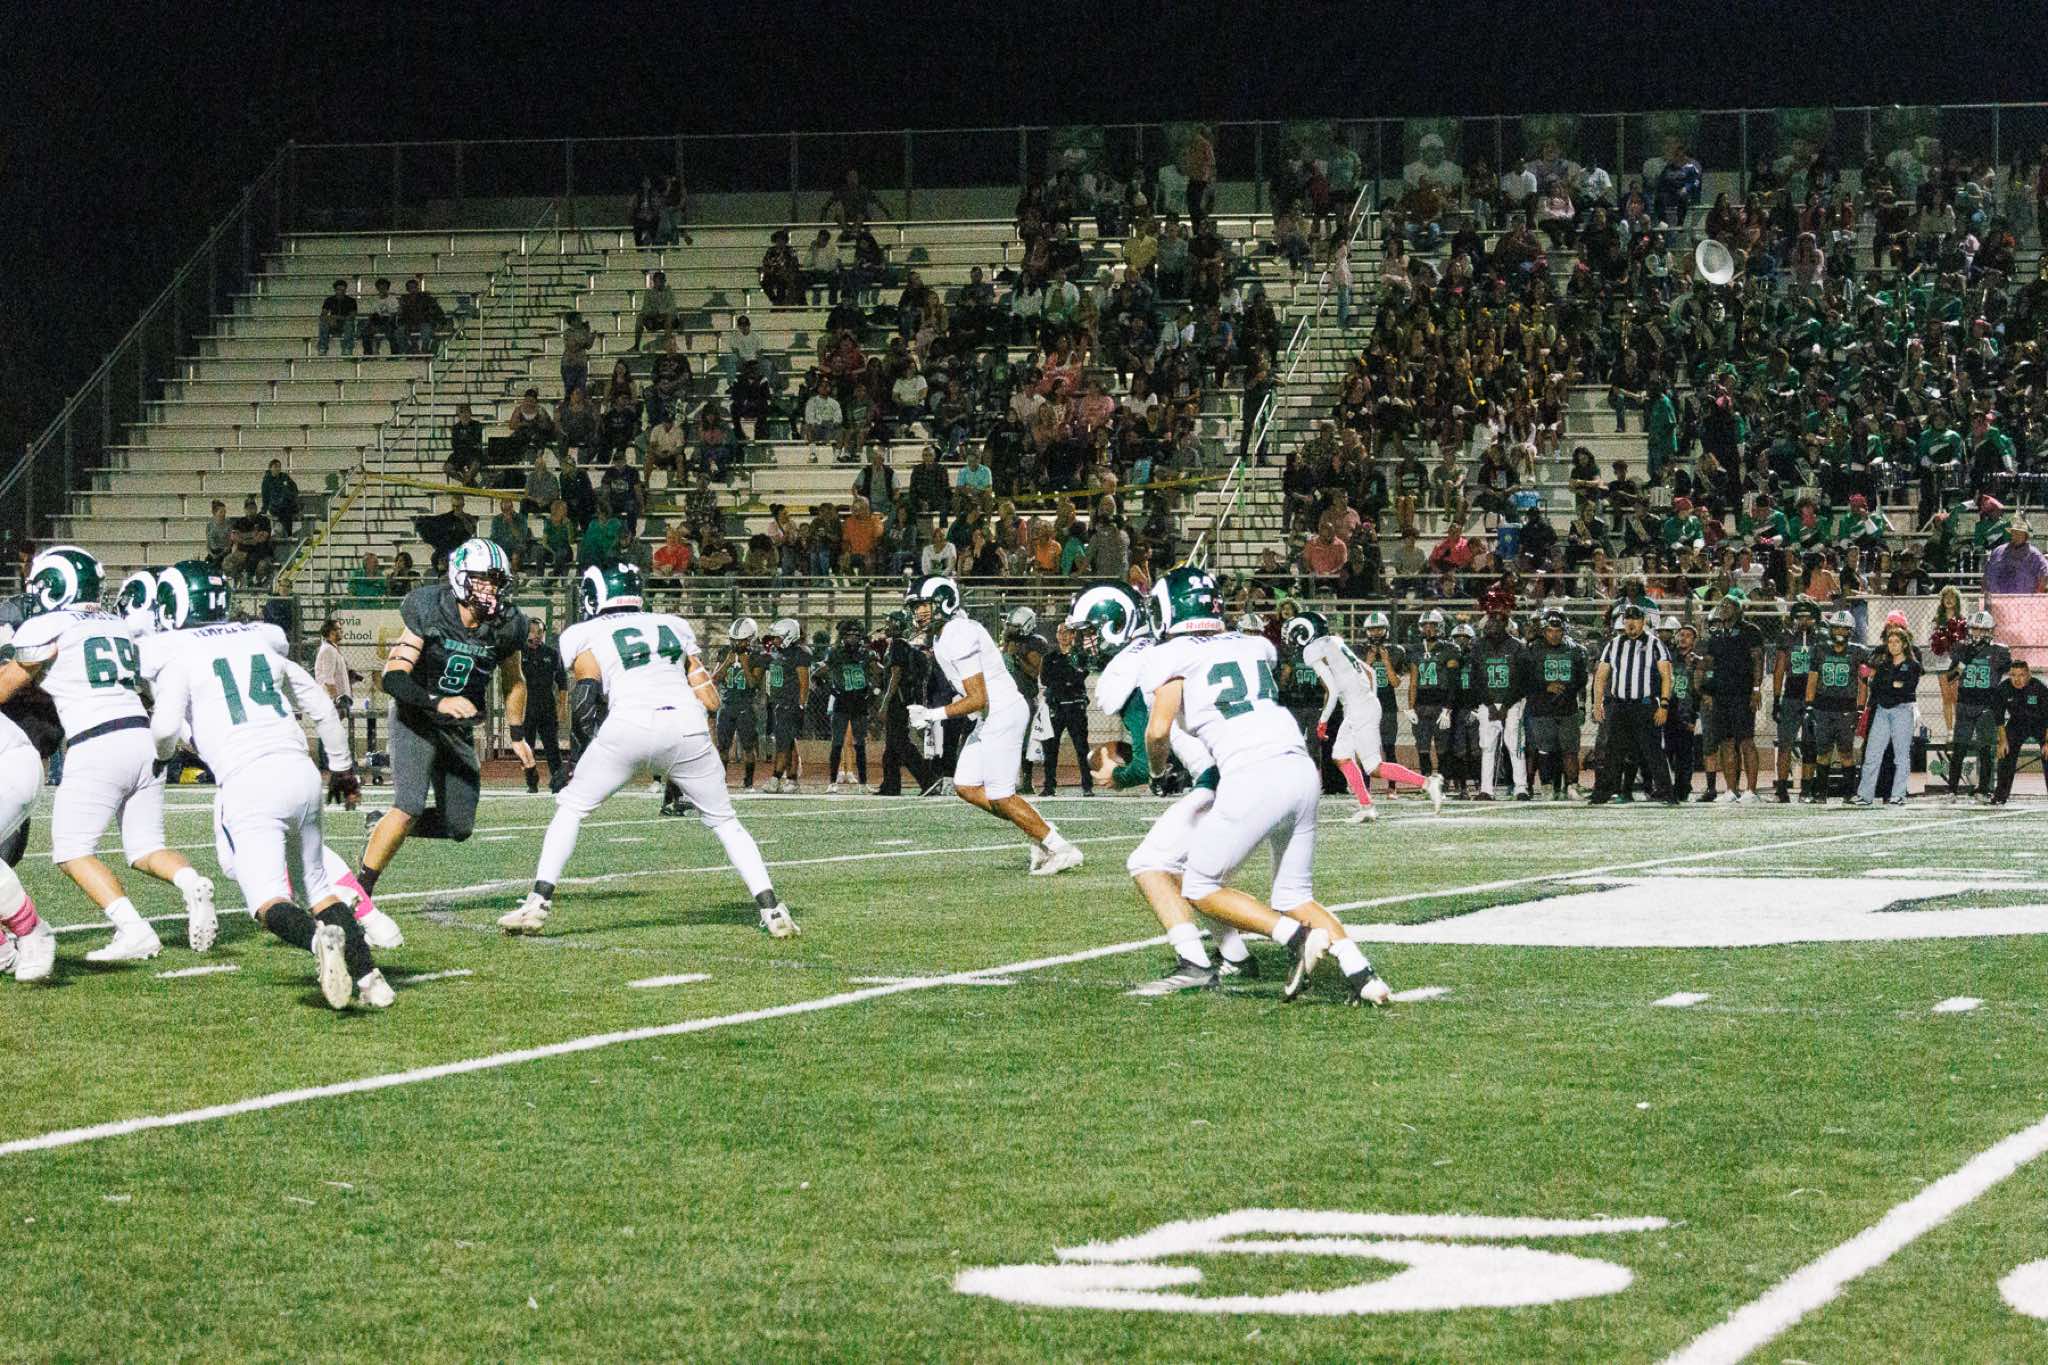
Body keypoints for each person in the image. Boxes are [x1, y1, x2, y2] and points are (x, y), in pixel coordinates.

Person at [497, 563, 797, 941]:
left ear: (594, 597)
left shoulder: (583, 633)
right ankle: (772, 909)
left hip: (630, 724)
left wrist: (576, 760)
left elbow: (585, 699)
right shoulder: (673, 625)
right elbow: (709, 698)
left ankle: (537, 903)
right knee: (725, 822)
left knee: (571, 808)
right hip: (686, 725)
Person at [1140, 566, 1391, 1005]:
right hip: (1299, 769)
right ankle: (1364, 976)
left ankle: (1296, 938)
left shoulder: (1170, 655)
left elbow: (1158, 731)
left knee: (1199, 885)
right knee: (1293, 894)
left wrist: (1157, 774)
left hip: (1252, 773)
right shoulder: (1252, 643)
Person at [145, 561, 388, 1010]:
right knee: (318, 888)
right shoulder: (259, 641)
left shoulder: (177, 653)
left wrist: (163, 756)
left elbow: (162, 729)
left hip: (249, 781)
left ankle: (318, 944)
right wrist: (342, 768)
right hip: (300, 771)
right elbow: (320, 705)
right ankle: (372, 979)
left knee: (267, 902)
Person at [0, 547, 217, 964]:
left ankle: (135, 930)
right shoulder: (115, 624)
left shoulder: (49, 624)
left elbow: (7, 685)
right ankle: (191, 881)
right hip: (143, 736)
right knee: (145, 848)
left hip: (97, 741)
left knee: (71, 850)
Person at [354, 540, 534, 902]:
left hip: (456, 729)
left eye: (496, 581)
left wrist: (517, 734)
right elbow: (393, 677)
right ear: (459, 577)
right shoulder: (430, 607)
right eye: (482, 580)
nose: (490, 589)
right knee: (408, 806)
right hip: (416, 718)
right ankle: (358, 892)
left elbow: (514, 679)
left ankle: (382, 823)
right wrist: (438, 701)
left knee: (459, 826)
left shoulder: (508, 624)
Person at [904, 576, 1083, 876]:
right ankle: (1039, 828)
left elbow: (977, 697)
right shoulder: (946, 633)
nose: (919, 612)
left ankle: (1061, 848)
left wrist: (933, 715)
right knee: (967, 785)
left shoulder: (958, 633)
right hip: (990, 716)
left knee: (1001, 794)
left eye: (925, 605)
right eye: (916, 607)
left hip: (1002, 713)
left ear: (945, 602)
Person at [1286, 611, 1443, 823]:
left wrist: (1322, 721)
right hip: (1361, 705)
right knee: (1341, 756)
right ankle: (1366, 806)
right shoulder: (1335, 641)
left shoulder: (1312, 650)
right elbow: (1369, 670)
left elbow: (1332, 691)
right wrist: (1369, 699)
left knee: (1373, 766)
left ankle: (1427, 783)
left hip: (1359, 708)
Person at [1588, 603, 1676, 805]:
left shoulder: (1655, 644)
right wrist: (1597, 704)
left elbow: (1666, 676)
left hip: (1644, 705)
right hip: (1620, 706)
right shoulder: (1614, 644)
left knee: (1653, 751)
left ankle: (1666, 792)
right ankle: (1603, 792)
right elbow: (1600, 676)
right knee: (1613, 751)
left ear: (1643, 622)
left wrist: (1664, 705)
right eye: (1627, 619)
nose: (1631, 623)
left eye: (1635, 619)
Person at [1699, 595, 1766, 802]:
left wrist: (1756, 688)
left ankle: (1751, 791)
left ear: (1738, 609)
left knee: (1746, 740)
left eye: (1728, 605)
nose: (1723, 607)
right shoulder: (1717, 635)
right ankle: (1730, 789)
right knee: (1726, 742)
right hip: (1721, 695)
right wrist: (1708, 691)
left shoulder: (1750, 631)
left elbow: (1757, 660)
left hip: (1742, 693)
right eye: (1721, 605)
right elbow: (1709, 664)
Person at [1521, 608, 1589, 801]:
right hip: (1541, 708)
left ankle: (1572, 786)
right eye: (1550, 631)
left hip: (1567, 707)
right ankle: (1547, 786)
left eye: (1558, 631)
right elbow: (1524, 681)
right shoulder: (1532, 650)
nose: (1554, 635)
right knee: (1545, 750)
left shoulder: (1575, 650)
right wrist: (1545, 686)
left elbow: (1582, 680)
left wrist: (1577, 699)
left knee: (1570, 750)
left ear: (1564, 630)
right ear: (1544, 630)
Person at [1853, 622, 1923, 807]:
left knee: (1901, 755)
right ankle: (1865, 795)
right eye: (1890, 642)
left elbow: (1907, 688)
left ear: (1904, 644)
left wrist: (1890, 685)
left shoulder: (1913, 665)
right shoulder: (1884, 664)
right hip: (1882, 710)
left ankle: (1898, 795)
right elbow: (1876, 687)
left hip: (1903, 711)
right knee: (1872, 753)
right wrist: (1893, 684)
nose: (1893, 645)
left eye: (1897, 641)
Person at [1803, 611, 1868, 804]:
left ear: (1851, 631)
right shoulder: (1820, 649)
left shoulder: (1858, 652)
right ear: (1831, 630)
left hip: (1846, 708)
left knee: (1846, 752)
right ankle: (1820, 794)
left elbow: (1863, 682)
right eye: (1837, 628)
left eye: (1844, 628)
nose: (1840, 631)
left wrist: (1860, 707)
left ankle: (1849, 793)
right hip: (1822, 706)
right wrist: (1809, 705)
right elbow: (1813, 679)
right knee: (1823, 752)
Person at [1946, 610, 2010, 803]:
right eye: (1975, 629)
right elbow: (1950, 677)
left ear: (1990, 631)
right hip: (1965, 703)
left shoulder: (1999, 651)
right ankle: (1951, 790)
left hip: (1986, 706)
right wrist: (1963, 662)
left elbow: (2008, 671)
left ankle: (1983, 789)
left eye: (1982, 630)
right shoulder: (1961, 649)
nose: (1978, 633)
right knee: (1959, 748)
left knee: (1985, 749)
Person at [1467, 611, 1526, 801]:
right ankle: (1486, 789)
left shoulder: (1517, 646)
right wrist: (1490, 705)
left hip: (1512, 703)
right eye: (1491, 621)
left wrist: (1506, 706)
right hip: (1488, 704)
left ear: (1505, 624)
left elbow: (1521, 680)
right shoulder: (1478, 646)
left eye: (1497, 622)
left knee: (1515, 746)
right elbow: (1476, 680)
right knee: (1487, 747)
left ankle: (1521, 788)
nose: (1492, 625)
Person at [876, 609, 935, 797]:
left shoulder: (898, 645)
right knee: (892, 746)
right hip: (902, 699)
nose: (887, 626)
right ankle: (890, 785)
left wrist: (885, 703)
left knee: (901, 743)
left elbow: (896, 675)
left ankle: (928, 780)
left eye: (890, 622)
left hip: (898, 701)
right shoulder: (901, 645)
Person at [1771, 598, 1823, 802]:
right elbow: (1779, 669)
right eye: (1799, 617)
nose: (1803, 621)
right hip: (1792, 695)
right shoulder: (1787, 638)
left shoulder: (1821, 638)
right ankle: (1782, 789)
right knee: (1785, 743)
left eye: (1808, 617)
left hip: (1815, 697)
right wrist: (1776, 699)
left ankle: (1806, 790)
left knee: (1811, 745)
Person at [1037, 622, 1093, 797]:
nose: (1063, 636)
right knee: (1050, 748)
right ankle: (1049, 786)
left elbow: (1080, 675)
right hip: (1056, 706)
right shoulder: (1049, 657)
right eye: (1060, 632)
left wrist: (1062, 677)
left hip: (1075, 707)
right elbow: (1045, 679)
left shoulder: (1080, 655)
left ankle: (1087, 786)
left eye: (1067, 632)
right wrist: (1067, 677)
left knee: (1081, 748)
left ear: (1073, 635)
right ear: (1056, 635)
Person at [822, 619, 874, 792]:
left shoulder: (866, 654)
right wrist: (832, 689)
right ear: (843, 636)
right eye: (849, 635)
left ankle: (863, 783)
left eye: (856, 635)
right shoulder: (835, 653)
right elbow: (818, 674)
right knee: (837, 743)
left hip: (859, 702)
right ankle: (832, 782)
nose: (853, 638)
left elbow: (878, 672)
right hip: (842, 701)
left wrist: (873, 690)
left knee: (860, 744)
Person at [761, 618, 811, 793]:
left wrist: (801, 705)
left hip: (791, 703)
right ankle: (791, 779)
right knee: (787, 742)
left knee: (784, 743)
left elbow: (804, 683)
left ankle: (776, 778)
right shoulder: (776, 653)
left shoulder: (799, 653)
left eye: (778, 637)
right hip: (778, 702)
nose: (775, 640)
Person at [714, 618, 764, 792]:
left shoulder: (757, 656)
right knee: (722, 747)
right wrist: (727, 662)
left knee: (748, 747)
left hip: (745, 706)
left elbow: (753, 684)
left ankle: (748, 782)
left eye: (741, 640)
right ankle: (720, 780)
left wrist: (744, 663)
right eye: (734, 640)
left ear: (751, 639)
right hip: (726, 705)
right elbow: (714, 679)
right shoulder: (724, 652)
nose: (736, 644)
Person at [519, 618, 569, 795]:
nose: (537, 635)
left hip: (547, 706)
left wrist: (562, 708)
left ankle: (558, 782)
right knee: (527, 747)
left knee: (552, 746)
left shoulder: (552, 654)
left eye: (540, 632)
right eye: (533, 631)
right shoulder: (519, 653)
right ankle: (531, 782)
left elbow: (562, 683)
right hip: (525, 708)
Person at [1992, 658, 2048, 805]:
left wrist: (2047, 742)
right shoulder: (2003, 689)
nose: (2017, 679)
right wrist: (2003, 741)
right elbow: (1999, 718)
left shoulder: (2039, 688)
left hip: (2041, 724)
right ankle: (2000, 796)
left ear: (2028, 675)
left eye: (2021, 675)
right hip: (2017, 724)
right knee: (2005, 752)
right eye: (2013, 675)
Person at [313, 616, 355, 772]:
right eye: (338, 629)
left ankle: (329, 762)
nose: (341, 631)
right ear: (331, 632)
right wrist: (336, 699)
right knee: (329, 730)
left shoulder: (332, 649)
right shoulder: (328, 650)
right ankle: (326, 763)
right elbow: (328, 678)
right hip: (330, 700)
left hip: (334, 698)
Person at [317, 280, 358, 356]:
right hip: (333, 323)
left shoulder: (351, 301)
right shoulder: (329, 300)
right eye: (339, 290)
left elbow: (352, 315)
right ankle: (322, 348)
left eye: (343, 290)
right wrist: (330, 319)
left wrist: (337, 318)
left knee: (349, 324)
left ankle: (347, 348)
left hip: (345, 323)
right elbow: (323, 314)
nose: (341, 292)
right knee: (323, 324)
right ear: (335, 290)